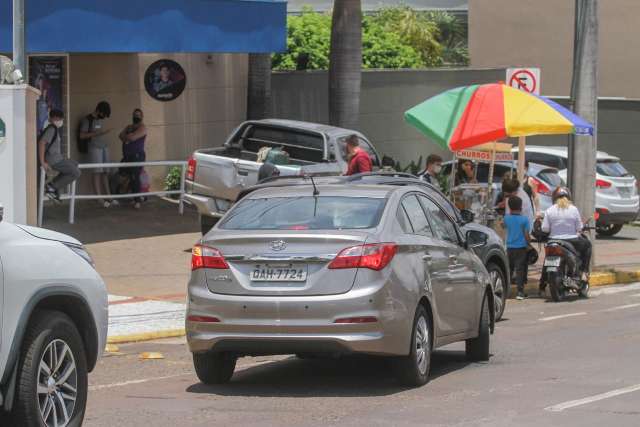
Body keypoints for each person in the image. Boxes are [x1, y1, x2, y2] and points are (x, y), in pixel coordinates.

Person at [541, 187, 592, 277]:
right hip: (572, 240)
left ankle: (542, 285)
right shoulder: (573, 209)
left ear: (554, 198)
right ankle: (584, 271)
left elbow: (545, 228)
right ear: (568, 197)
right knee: (587, 245)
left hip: (553, 240)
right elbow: (579, 227)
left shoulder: (549, 210)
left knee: (547, 260)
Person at [38, 109, 81, 203]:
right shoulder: (51, 129)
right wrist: (42, 162)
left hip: (58, 158)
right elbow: (42, 143)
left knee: (74, 164)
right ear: (55, 118)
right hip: (54, 160)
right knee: (76, 172)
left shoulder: (54, 129)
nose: (61, 121)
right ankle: (51, 188)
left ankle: (53, 186)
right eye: (60, 119)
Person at [80, 101, 115, 208]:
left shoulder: (99, 120)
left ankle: (109, 197)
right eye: (103, 114)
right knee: (97, 172)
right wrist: (98, 133)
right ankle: (99, 198)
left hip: (104, 147)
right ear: (99, 110)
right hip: (94, 148)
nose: (103, 117)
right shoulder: (87, 120)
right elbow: (82, 135)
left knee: (105, 172)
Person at [118, 108, 148, 209]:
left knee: (135, 176)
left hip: (137, 156)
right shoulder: (129, 127)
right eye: (135, 114)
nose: (136, 116)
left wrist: (128, 136)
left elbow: (132, 138)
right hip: (127, 156)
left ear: (142, 117)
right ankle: (135, 196)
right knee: (125, 174)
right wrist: (128, 135)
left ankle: (137, 200)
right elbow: (120, 135)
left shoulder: (142, 127)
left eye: (138, 115)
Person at [503, 196, 531, 300]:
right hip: (521, 247)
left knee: (509, 269)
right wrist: (529, 244)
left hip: (509, 247)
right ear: (521, 207)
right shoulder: (525, 219)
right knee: (520, 270)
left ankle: (506, 291)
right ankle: (520, 292)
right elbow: (526, 235)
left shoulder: (506, 218)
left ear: (509, 207)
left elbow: (503, 227)